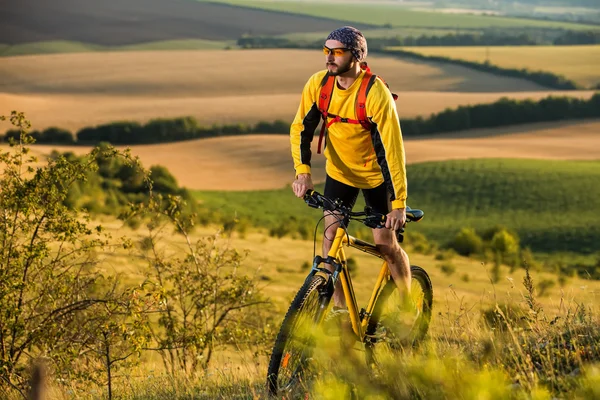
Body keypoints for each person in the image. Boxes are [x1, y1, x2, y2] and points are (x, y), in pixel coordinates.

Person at [289, 26, 411, 321]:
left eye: (337, 52)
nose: (329, 57)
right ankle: (341, 311)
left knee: (385, 245)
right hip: (339, 173)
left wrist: (398, 204)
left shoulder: (375, 93)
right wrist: (303, 172)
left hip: (374, 178)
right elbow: (301, 129)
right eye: (326, 51)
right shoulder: (319, 85)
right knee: (331, 236)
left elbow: (392, 151)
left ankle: (408, 309)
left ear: (355, 56)